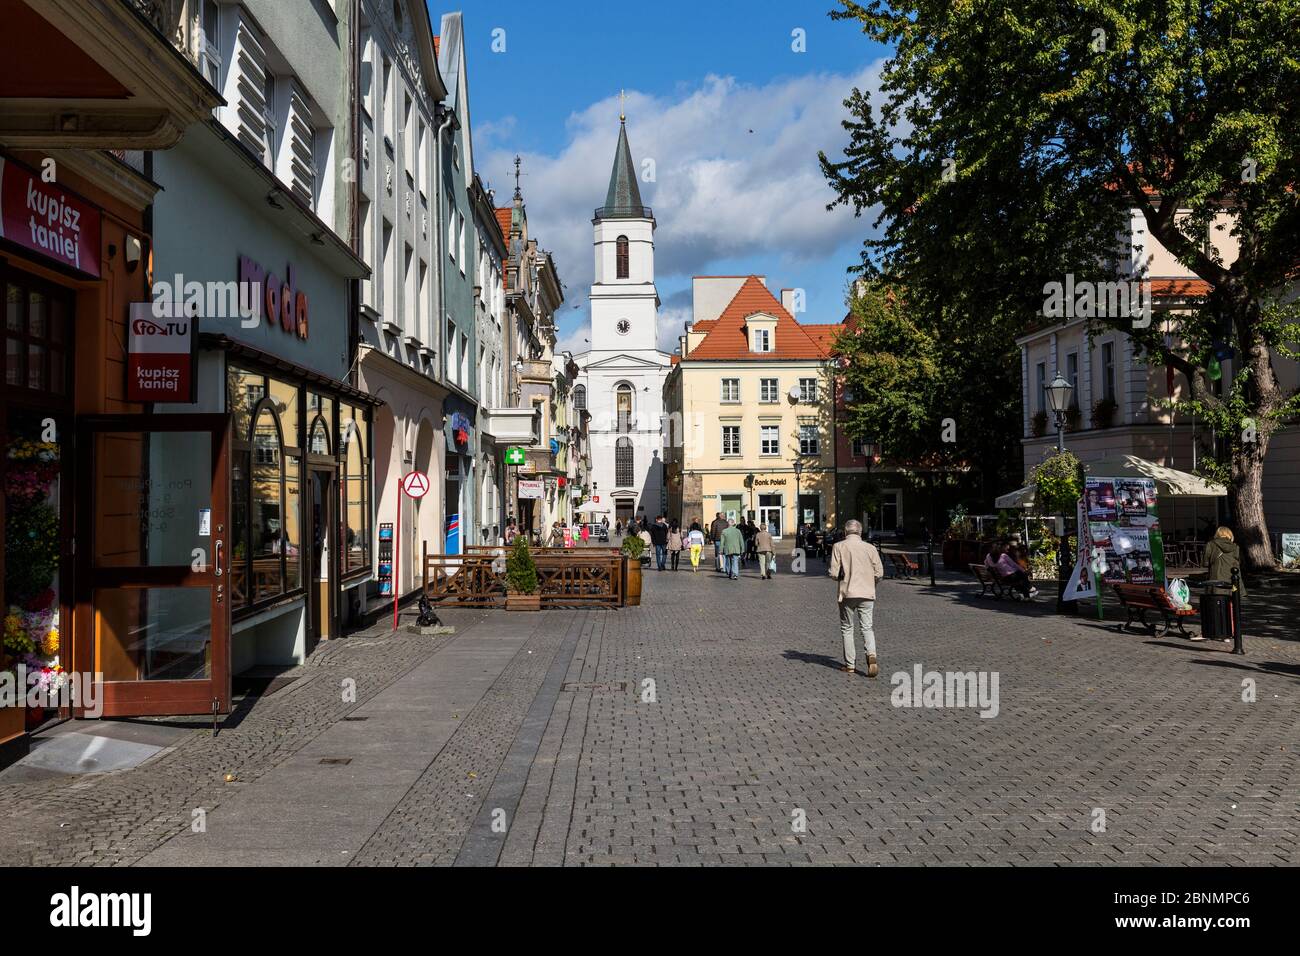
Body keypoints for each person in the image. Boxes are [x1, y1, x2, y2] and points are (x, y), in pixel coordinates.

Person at [828, 519, 886, 677]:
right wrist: (871, 582)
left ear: (845, 532)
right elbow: (879, 573)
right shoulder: (870, 548)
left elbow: (833, 574)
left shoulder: (839, 546)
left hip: (847, 593)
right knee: (867, 627)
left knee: (847, 628)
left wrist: (838, 577)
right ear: (860, 532)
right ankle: (871, 655)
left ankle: (850, 665)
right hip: (867, 593)